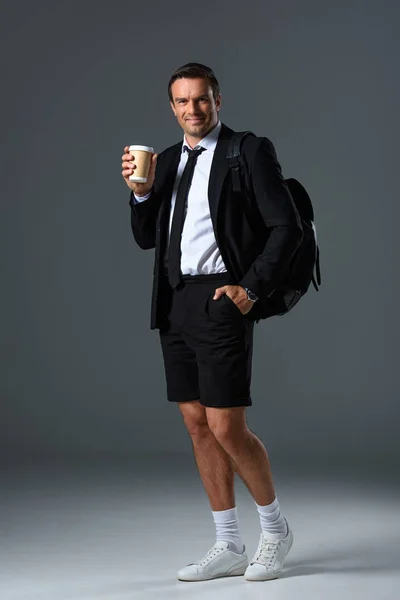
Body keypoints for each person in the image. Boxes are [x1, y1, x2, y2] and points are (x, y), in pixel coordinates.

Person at [121, 62, 303, 582]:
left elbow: (284, 226)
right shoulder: (166, 159)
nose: (192, 110)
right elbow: (144, 237)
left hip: (223, 297)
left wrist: (249, 290)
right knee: (197, 424)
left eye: (201, 100)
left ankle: (275, 529)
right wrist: (140, 191)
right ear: (172, 107)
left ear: (217, 100)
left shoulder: (247, 150)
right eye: (182, 102)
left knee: (227, 425)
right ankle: (228, 543)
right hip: (175, 300)